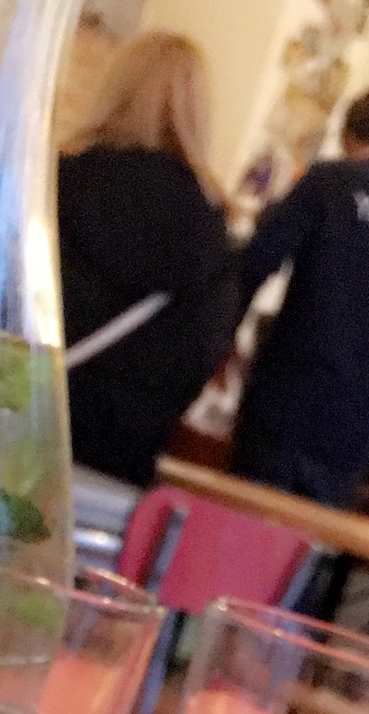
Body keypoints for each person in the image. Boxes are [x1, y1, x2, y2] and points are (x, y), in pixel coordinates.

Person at [230, 83, 369, 510]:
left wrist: (220, 339)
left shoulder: (331, 182)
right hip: (361, 420)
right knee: (308, 538)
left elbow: (255, 262)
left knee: (246, 523)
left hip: (288, 401)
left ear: (349, 136)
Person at [58, 32, 238, 487]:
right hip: (118, 470)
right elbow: (199, 360)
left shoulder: (51, 187)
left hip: (17, 439)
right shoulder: (213, 238)